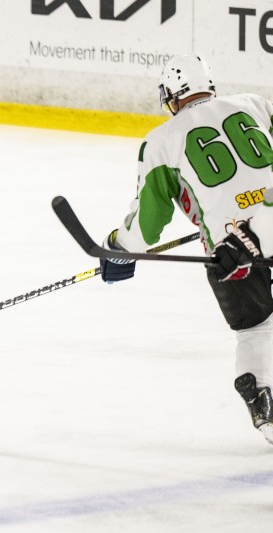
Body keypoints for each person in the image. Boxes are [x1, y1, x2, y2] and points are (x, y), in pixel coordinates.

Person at [99, 54, 273, 445]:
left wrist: (118, 248)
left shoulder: (161, 140)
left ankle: (261, 397)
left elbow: (147, 225)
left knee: (255, 326)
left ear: (171, 96)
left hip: (229, 247)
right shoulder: (256, 104)